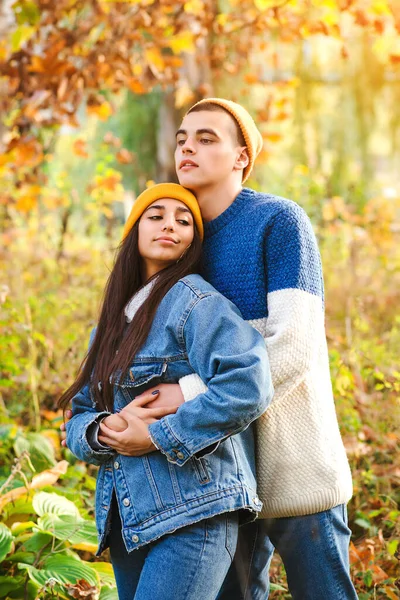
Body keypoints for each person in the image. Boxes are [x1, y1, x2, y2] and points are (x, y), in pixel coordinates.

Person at [137, 99, 358, 599]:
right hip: (220, 472)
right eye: (183, 138)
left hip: (295, 458)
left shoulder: (278, 221)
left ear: (242, 156)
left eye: (207, 137)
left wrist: (187, 394)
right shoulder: (178, 238)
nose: (188, 145)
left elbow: (292, 346)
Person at [60, 183, 274, 600]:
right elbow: (79, 413)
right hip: (129, 517)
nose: (170, 226)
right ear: (134, 231)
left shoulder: (196, 302)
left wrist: (157, 436)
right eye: (156, 216)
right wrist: (106, 431)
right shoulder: (108, 326)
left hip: (195, 511)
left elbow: (247, 383)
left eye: (184, 220)